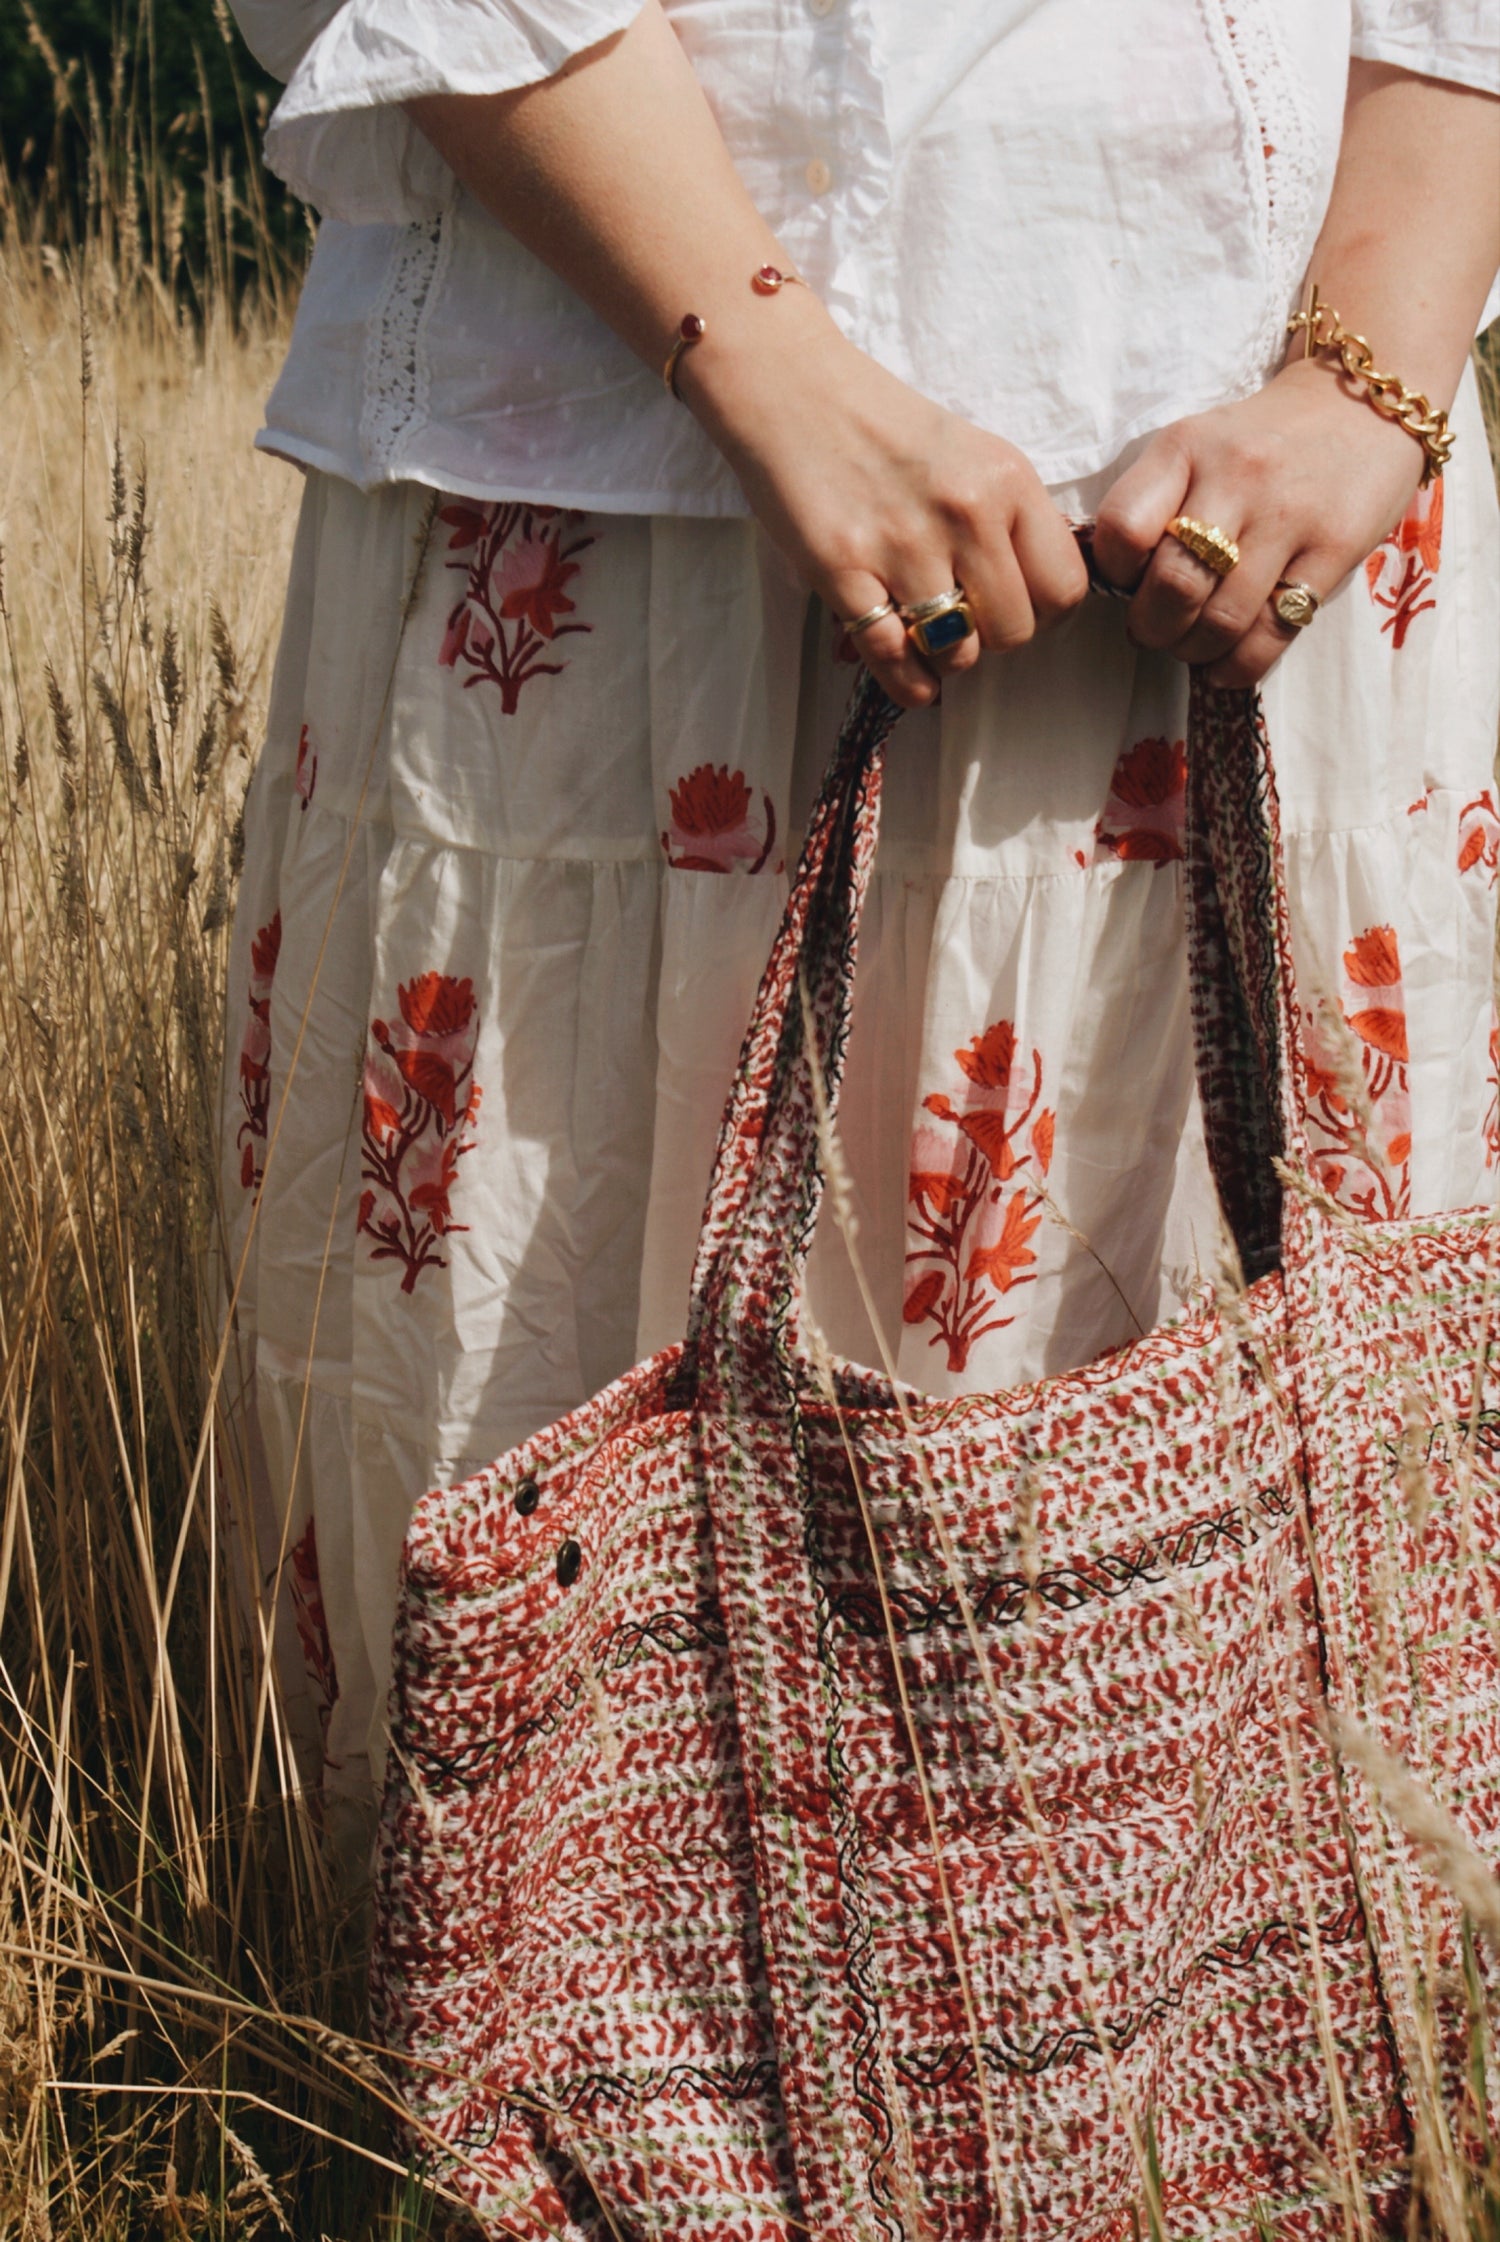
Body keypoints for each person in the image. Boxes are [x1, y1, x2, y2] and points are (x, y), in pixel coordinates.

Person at [221, 0, 1500, 1813]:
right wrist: (767, 364)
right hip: (636, 497)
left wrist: (1373, 368)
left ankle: (1285, 2070)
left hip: (1292, 511)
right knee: (587, 1504)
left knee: (1289, 1535)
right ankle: (582, 2083)